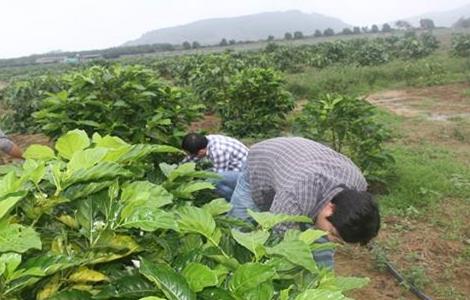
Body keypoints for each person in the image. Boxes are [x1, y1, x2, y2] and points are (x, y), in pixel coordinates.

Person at [229, 137, 380, 268]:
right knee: (240, 231)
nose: (333, 240)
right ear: (330, 208)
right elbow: (280, 240)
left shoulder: (358, 184)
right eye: (334, 234)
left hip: (299, 163)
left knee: (320, 246)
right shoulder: (295, 194)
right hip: (262, 163)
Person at [181, 133, 248, 201]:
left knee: (213, 181)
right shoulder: (205, 141)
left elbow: (218, 177)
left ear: (201, 151)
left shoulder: (218, 151)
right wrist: (178, 170)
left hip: (247, 174)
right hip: (233, 166)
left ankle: (238, 201)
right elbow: (190, 159)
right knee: (205, 174)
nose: (188, 155)